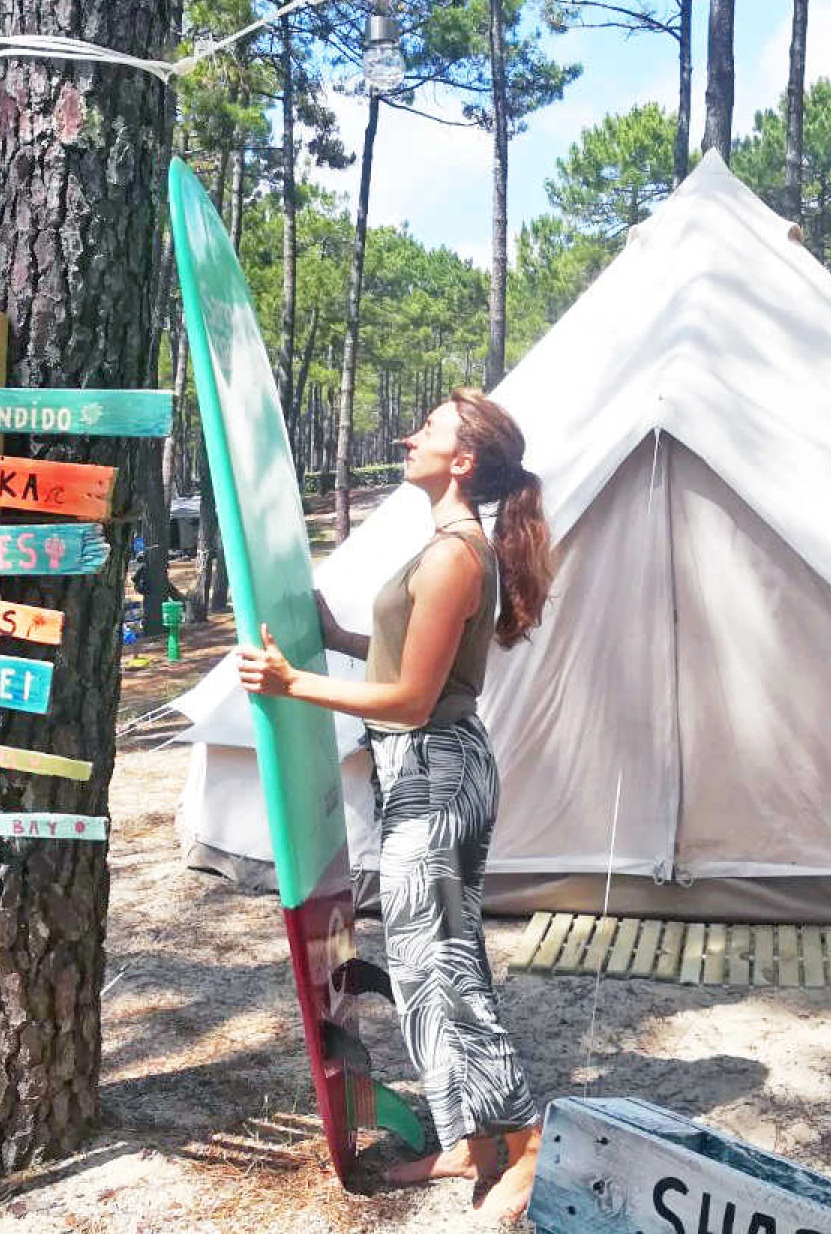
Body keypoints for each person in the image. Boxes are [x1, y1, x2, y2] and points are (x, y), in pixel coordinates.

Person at [236, 388, 553, 1222]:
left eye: (431, 430)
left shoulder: (456, 553)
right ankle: (467, 1143)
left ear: (463, 461)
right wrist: (336, 639)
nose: (410, 435)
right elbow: (414, 660)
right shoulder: (444, 544)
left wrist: (292, 683)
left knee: (441, 968)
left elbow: (414, 700)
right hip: (426, 771)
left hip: (437, 772)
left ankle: (522, 1146)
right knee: (426, 964)